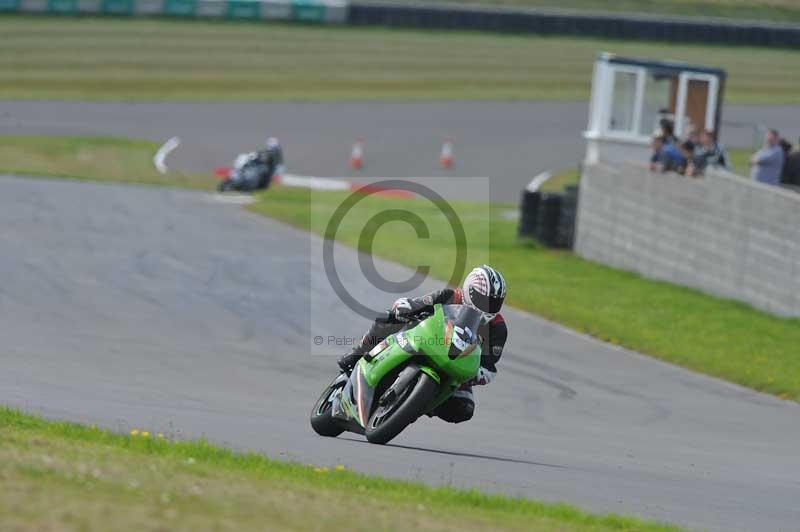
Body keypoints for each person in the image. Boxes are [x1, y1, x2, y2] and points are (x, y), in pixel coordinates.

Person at [337, 265, 508, 424]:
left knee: (464, 409)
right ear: (469, 291)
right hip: (422, 341)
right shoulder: (449, 296)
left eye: (494, 303)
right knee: (388, 319)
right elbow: (417, 304)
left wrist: (477, 374)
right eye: (483, 300)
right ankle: (358, 352)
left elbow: (489, 366)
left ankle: (417, 404)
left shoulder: (497, 329)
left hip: (454, 367)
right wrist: (403, 308)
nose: (488, 307)